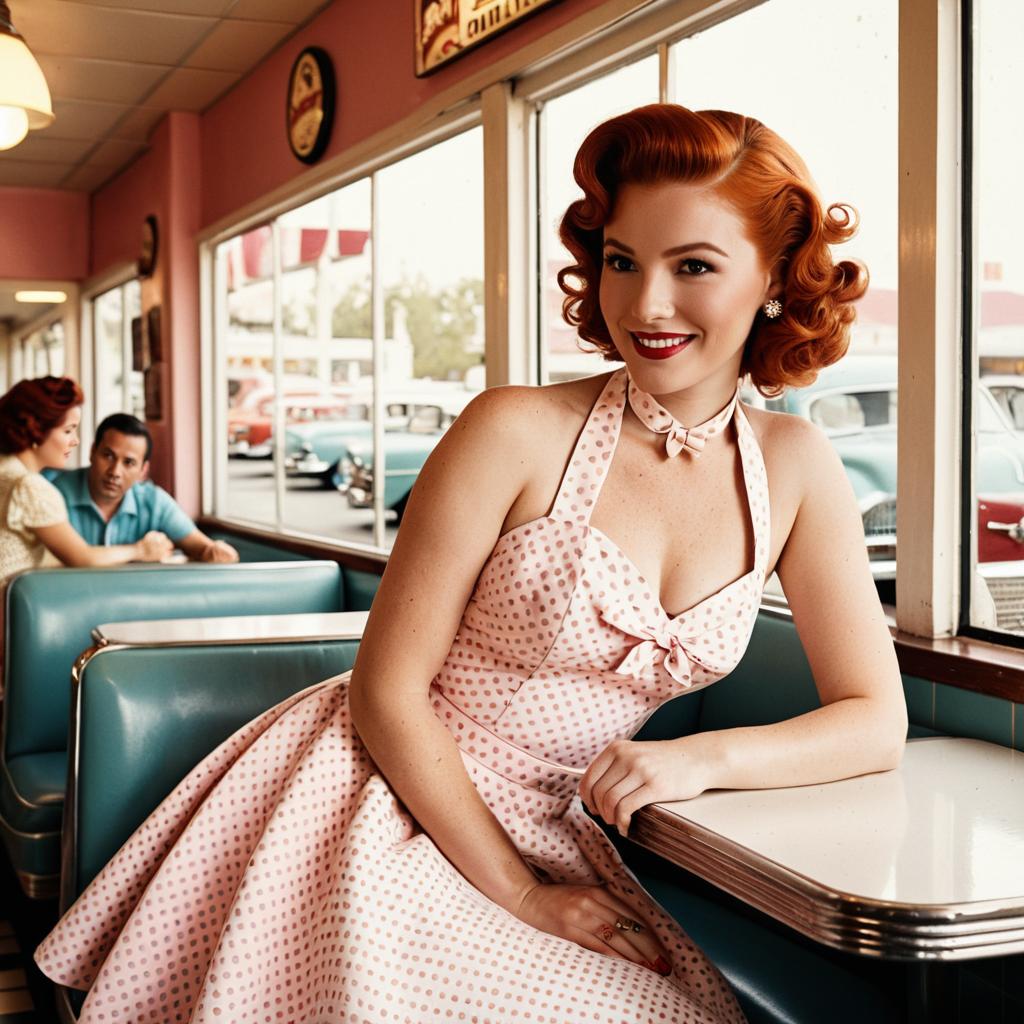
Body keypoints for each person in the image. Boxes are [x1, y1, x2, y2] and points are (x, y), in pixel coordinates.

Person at [36, 106, 907, 1023]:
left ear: (773, 277)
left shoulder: (798, 468)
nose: (645, 304)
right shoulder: (514, 430)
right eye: (622, 260)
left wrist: (700, 760)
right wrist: (525, 896)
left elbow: (874, 720)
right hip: (386, 793)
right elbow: (387, 691)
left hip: (573, 830)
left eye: (693, 265)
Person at [0, 377, 172, 586]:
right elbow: (83, 558)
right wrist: (140, 550)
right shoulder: (30, 487)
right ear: (36, 429)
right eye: (68, 430)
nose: (75, 440)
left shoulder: (6, 469)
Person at [48, 412, 239, 564]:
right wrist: (140, 550)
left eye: (129, 463)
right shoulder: (53, 493)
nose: (115, 471)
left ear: (143, 470)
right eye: (108, 456)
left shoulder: (154, 502)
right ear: (92, 452)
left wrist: (216, 552)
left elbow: (203, 547)